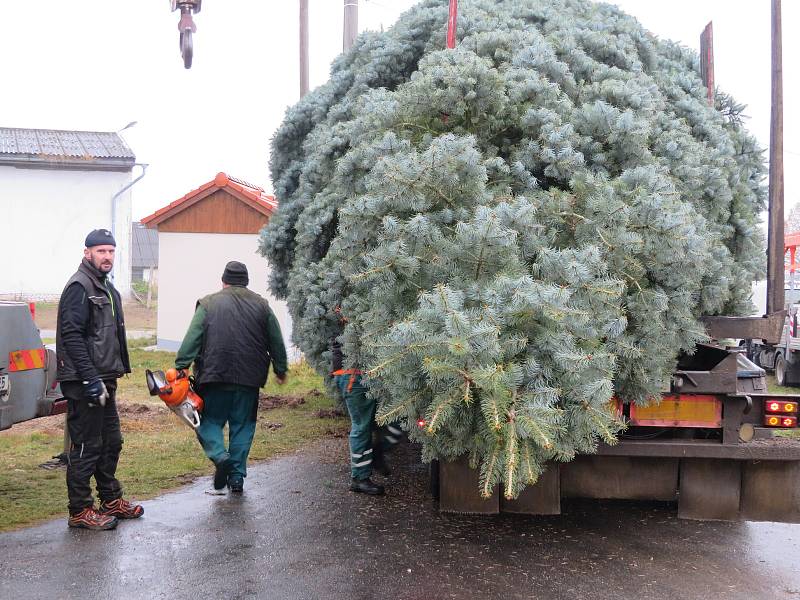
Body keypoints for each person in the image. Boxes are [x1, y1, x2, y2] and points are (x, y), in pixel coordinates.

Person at [175, 261, 288, 494]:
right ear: (246, 282)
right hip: (249, 379)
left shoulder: (208, 303)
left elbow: (193, 336)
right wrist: (280, 368)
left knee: (208, 422)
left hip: (214, 375)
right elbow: (276, 339)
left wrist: (181, 365)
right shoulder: (262, 306)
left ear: (223, 281)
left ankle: (220, 456)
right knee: (243, 426)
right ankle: (236, 477)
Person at [56, 228, 143, 530]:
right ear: (87, 253)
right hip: (85, 382)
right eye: (100, 251)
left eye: (110, 251)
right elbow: (72, 337)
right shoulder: (80, 287)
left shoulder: (104, 287)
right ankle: (80, 510)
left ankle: (110, 499)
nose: (107, 256)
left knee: (112, 441)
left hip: (104, 379)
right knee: (87, 445)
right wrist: (90, 379)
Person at [331, 323, 387, 496]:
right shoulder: (351, 308)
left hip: (356, 372)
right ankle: (360, 478)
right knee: (361, 427)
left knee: (371, 424)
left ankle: (371, 461)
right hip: (354, 374)